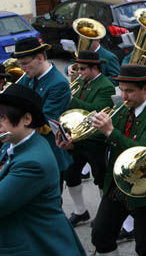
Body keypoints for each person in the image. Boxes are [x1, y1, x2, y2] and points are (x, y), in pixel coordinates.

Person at [58, 64, 146, 256]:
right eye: (122, 90)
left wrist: (111, 131)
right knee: (101, 237)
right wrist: (74, 144)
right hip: (117, 186)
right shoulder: (121, 107)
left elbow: (141, 154)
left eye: (129, 91)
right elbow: (103, 140)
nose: (124, 96)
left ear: (145, 89)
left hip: (143, 190)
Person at [0, 84, 86, 255]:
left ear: (26, 119)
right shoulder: (17, 142)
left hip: (34, 244)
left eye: (2, 118)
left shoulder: (32, 162)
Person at [63, 51, 115, 227]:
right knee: (70, 174)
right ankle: (80, 211)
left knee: (100, 177)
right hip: (76, 138)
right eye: (78, 68)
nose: (79, 72)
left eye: (83, 69)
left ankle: (104, 214)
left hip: (95, 140)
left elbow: (96, 111)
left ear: (95, 68)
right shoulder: (80, 81)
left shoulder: (106, 86)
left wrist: (71, 99)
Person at [14, 37, 73, 177]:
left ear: (40, 58)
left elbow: (43, 121)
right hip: (28, 148)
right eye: (20, 64)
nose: (22, 68)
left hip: (48, 151)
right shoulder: (29, 75)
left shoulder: (58, 84)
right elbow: (15, 98)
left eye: (25, 63)